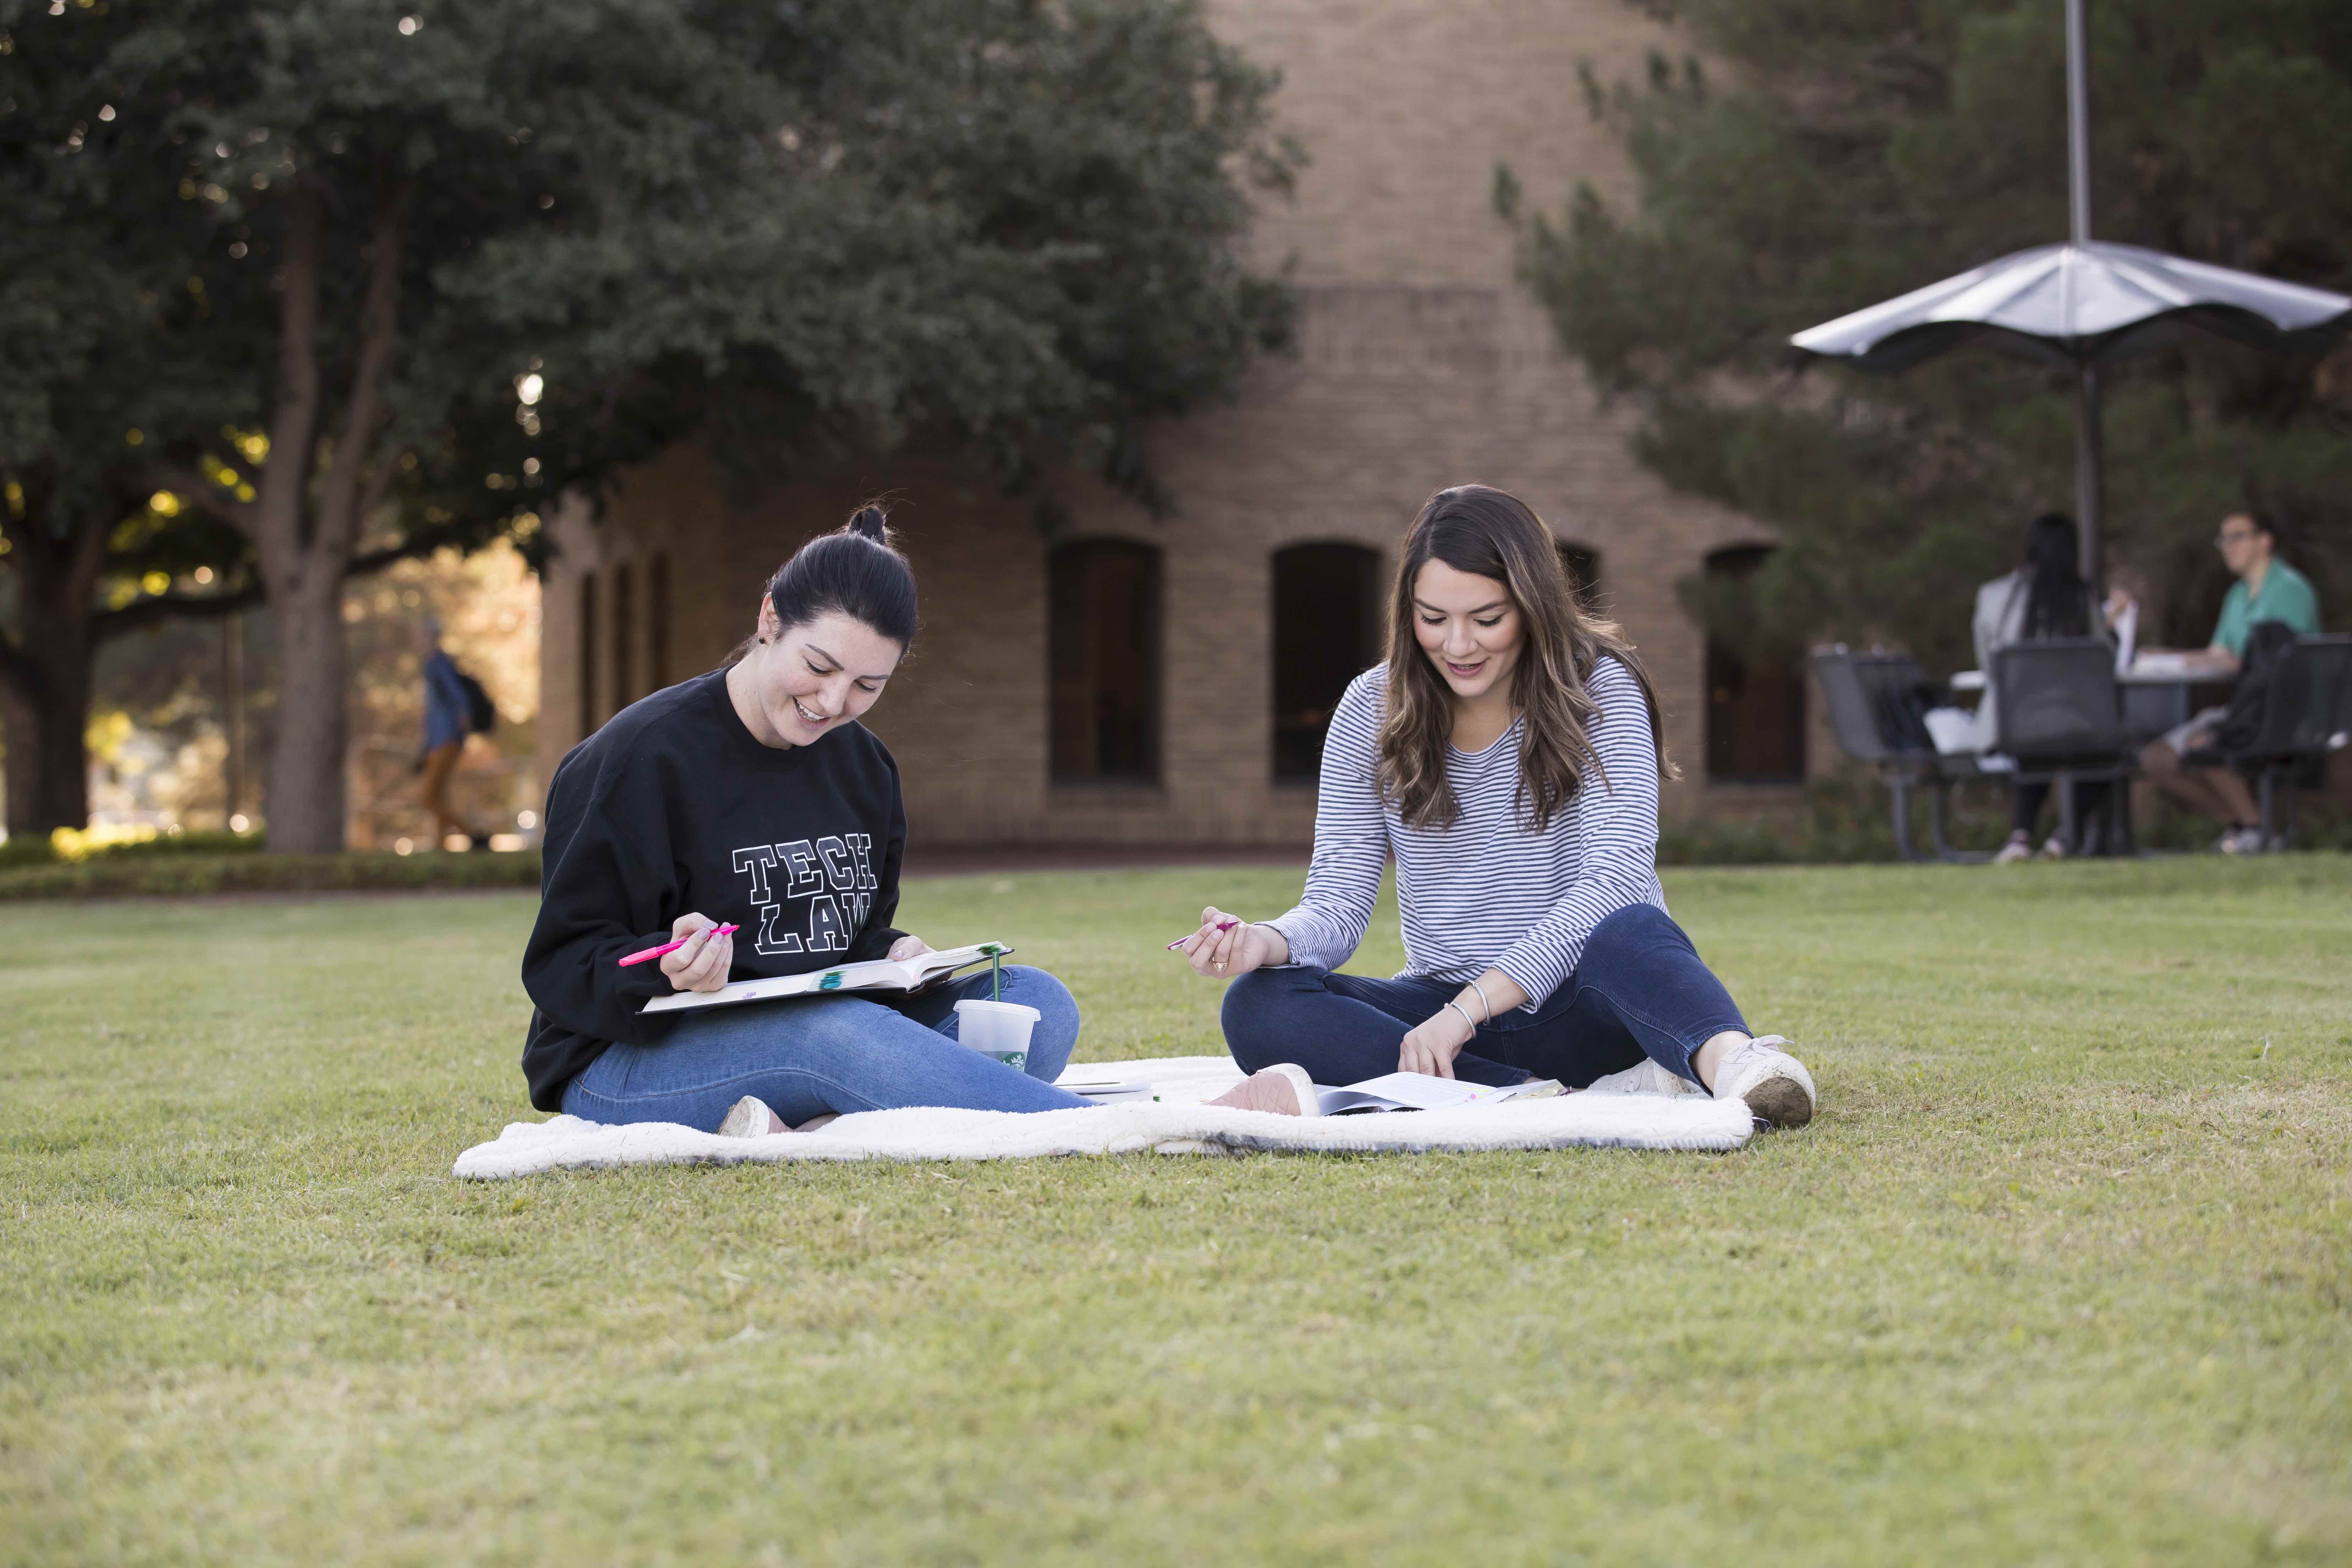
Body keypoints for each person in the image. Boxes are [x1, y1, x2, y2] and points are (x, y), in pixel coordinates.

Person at [521, 503, 1315, 1135]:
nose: (833, 703)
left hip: (807, 1023)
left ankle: (812, 1117)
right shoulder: (636, 759)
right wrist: (664, 965)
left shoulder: (863, 767)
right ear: (769, 618)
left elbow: (849, 941)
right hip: (626, 1063)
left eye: (868, 685)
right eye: (819, 666)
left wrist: (895, 956)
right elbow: (561, 968)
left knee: (1036, 1004)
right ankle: (1141, 1127)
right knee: (831, 1035)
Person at [1171, 484, 1817, 1129]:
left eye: (1486, 619)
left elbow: (1615, 878)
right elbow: (1338, 901)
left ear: (1533, 606)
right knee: (1259, 1003)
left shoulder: (1599, 688)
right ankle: (1528, 1095)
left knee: (1632, 927)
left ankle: (1737, 1065)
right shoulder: (1369, 707)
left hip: (1580, 1005)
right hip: (1447, 1017)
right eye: (1433, 618)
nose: (1457, 645)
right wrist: (1268, 940)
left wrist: (1471, 1006)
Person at [2138, 510, 2323, 852]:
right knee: (2157, 759)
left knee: (2203, 744)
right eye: (2223, 539)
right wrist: (2164, 658)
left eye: (2237, 536)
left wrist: (2229, 661)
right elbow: (2218, 655)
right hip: (2245, 708)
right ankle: (2243, 825)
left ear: (2264, 541)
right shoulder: (2237, 595)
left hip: (2281, 713)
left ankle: (2254, 830)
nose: (2227, 546)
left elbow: (2277, 665)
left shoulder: (2289, 591)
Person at [1970, 512, 2124, 863]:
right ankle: (2063, 836)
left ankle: (2021, 835)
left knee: (2035, 745)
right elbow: (2104, 660)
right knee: (2110, 751)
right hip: (2078, 720)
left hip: (2013, 722)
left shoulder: (1993, 597)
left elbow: (1989, 666)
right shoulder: (2082, 598)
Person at [415, 617, 486, 850]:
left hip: (447, 740)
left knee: (426, 797)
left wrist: (463, 717)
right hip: (436, 741)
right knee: (439, 797)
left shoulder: (439, 663)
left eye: (422, 636)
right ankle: (441, 846)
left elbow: (458, 694)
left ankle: (472, 835)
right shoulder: (430, 666)